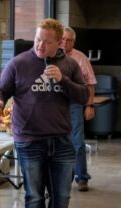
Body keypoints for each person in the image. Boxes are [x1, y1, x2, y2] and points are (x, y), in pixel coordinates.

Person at [0, 18, 89, 208]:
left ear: (59, 44)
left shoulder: (69, 64)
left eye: (47, 42)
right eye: (37, 40)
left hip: (62, 141)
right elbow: (2, 89)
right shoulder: (19, 63)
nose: (40, 46)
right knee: (34, 194)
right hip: (29, 140)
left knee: (62, 195)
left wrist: (62, 81)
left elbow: (83, 95)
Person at [61, 26, 97, 192]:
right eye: (63, 39)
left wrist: (89, 105)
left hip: (75, 103)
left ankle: (82, 177)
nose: (65, 43)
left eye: (69, 40)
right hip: (54, 104)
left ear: (73, 42)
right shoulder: (51, 56)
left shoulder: (80, 58)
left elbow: (90, 84)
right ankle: (62, 178)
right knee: (58, 143)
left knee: (77, 141)